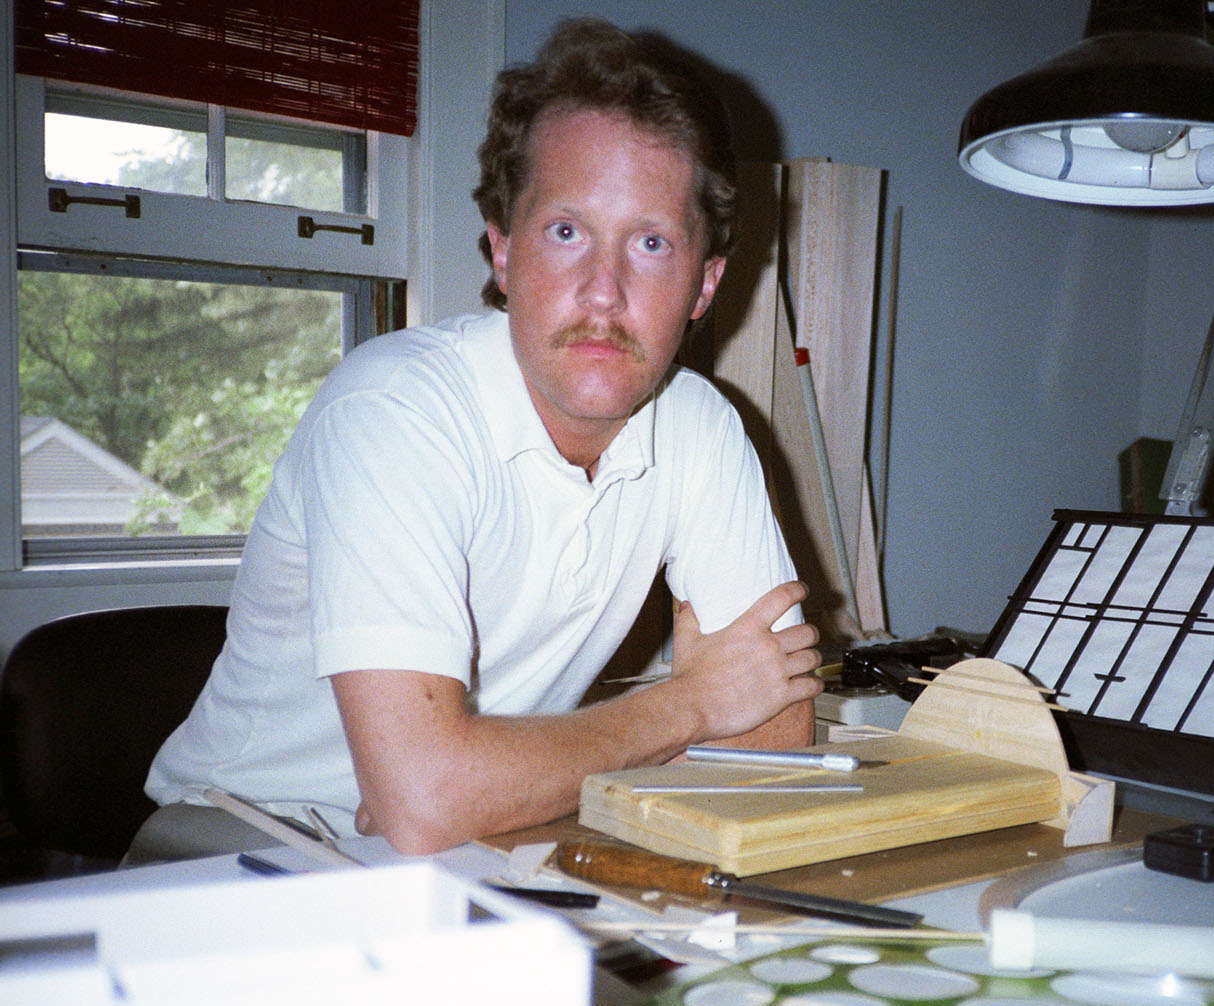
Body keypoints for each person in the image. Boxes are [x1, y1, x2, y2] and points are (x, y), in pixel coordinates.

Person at [135, 18, 822, 860]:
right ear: (503, 251)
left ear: (704, 285)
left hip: (486, 838)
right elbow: (429, 800)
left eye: (650, 243)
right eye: (566, 232)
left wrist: (476, 784)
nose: (603, 292)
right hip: (238, 835)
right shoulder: (396, 411)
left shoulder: (703, 428)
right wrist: (690, 706)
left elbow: (775, 737)